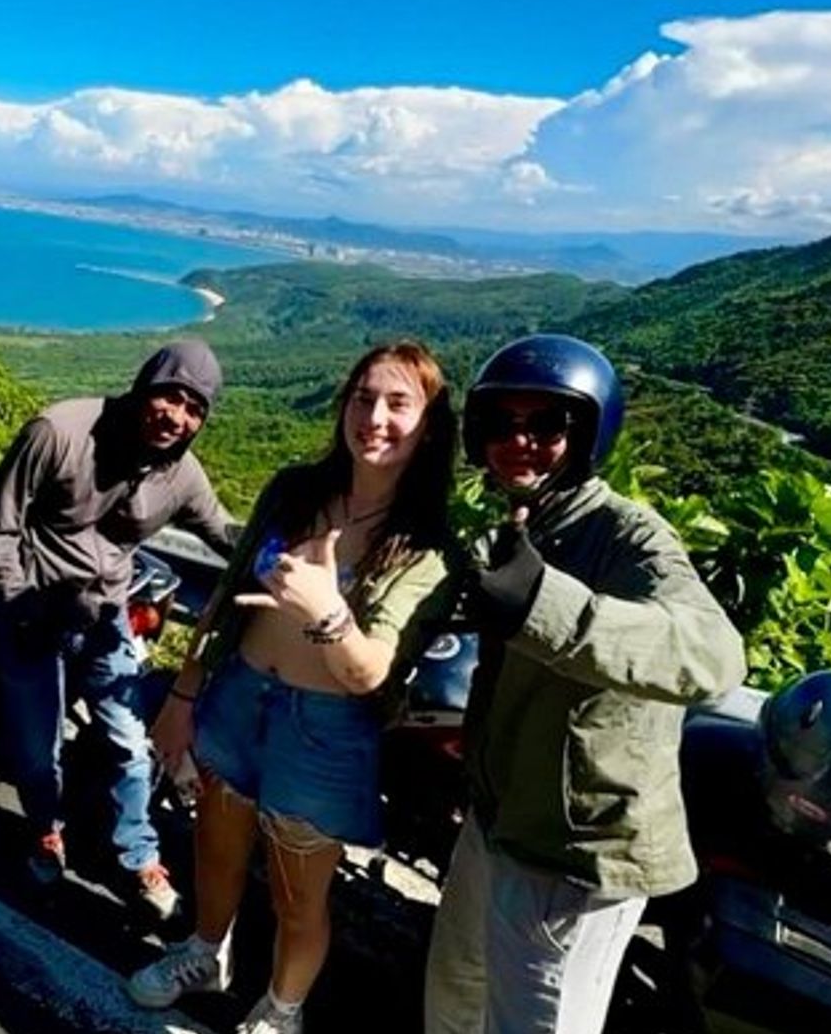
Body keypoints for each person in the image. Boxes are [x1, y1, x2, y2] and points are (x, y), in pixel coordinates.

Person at [129, 342, 459, 1034]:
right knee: (216, 848)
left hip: (324, 731)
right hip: (239, 695)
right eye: (363, 398)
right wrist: (184, 698)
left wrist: (327, 610)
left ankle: (282, 1010)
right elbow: (227, 595)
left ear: (429, 426)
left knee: (297, 896)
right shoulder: (295, 491)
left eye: (399, 404)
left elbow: (370, 670)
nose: (374, 418)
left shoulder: (426, 547)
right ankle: (204, 953)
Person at [421, 334, 747, 1033]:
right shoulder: (523, 525)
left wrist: (547, 605)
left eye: (547, 424)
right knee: (455, 994)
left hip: (576, 856)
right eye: (502, 423)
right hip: (501, 820)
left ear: (589, 434)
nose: (521, 442)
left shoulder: (629, 536)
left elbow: (715, 655)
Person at [0, 338, 236, 919]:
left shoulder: (181, 474)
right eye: (170, 397)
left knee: (130, 743)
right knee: (37, 751)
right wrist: (15, 602)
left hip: (106, 615)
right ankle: (45, 829)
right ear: (145, 387)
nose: (178, 416)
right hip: (33, 610)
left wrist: (289, 562)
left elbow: (224, 535)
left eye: (194, 409)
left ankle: (138, 854)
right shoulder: (60, 431)